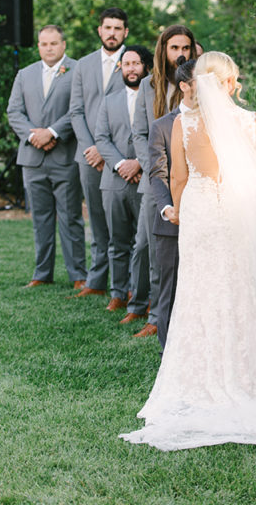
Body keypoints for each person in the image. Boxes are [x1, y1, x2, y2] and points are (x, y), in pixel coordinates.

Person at [120, 51, 256, 449]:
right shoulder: (249, 121)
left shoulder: (183, 124)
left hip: (200, 211)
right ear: (230, 83)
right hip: (236, 212)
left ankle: (198, 378)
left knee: (199, 291)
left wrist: (185, 214)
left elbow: (180, 179)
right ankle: (247, 376)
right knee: (240, 289)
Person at [126, 25, 197, 337]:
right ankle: (156, 314)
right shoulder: (148, 84)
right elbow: (140, 133)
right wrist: (153, 167)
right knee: (148, 247)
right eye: (173, 47)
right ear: (163, 51)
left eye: (185, 47)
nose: (180, 53)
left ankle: (182, 313)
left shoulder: (198, 85)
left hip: (193, 180)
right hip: (156, 180)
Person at [7, 25, 87, 288]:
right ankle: (42, 274)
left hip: (64, 156)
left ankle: (78, 275)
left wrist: (52, 132)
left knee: (70, 217)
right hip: (32, 158)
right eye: (44, 44)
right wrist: (34, 136)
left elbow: (79, 109)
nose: (49, 48)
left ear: (63, 44)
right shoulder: (25, 74)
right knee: (40, 219)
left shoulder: (78, 71)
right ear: (38, 45)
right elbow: (14, 112)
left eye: (54, 43)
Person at [70, 7, 128, 298]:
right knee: (95, 217)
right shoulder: (83, 65)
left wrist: (108, 151)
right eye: (108, 28)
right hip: (89, 157)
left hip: (121, 156)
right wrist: (90, 148)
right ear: (99, 31)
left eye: (118, 28)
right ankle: (96, 281)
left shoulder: (135, 63)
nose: (112, 33)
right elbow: (76, 111)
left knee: (122, 221)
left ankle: (128, 283)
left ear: (125, 32)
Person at [95, 45, 153, 311]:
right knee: (117, 241)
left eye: (136, 63)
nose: (131, 68)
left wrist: (139, 163)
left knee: (145, 243)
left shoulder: (156, 97)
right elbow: (101, 139)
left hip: (147, 178)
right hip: (114, 181)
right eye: (126, 64)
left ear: (146, 67)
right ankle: (118, 293)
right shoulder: (109, 100)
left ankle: (143, 293)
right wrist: (121, 165)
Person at [148, 60, 195, 349]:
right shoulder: (162, 126)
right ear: (184, 87)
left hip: (208, 220)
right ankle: (168, 351)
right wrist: (168, 209)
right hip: (172, 222)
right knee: (170, 288)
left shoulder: (216, 124)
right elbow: (157, 173)